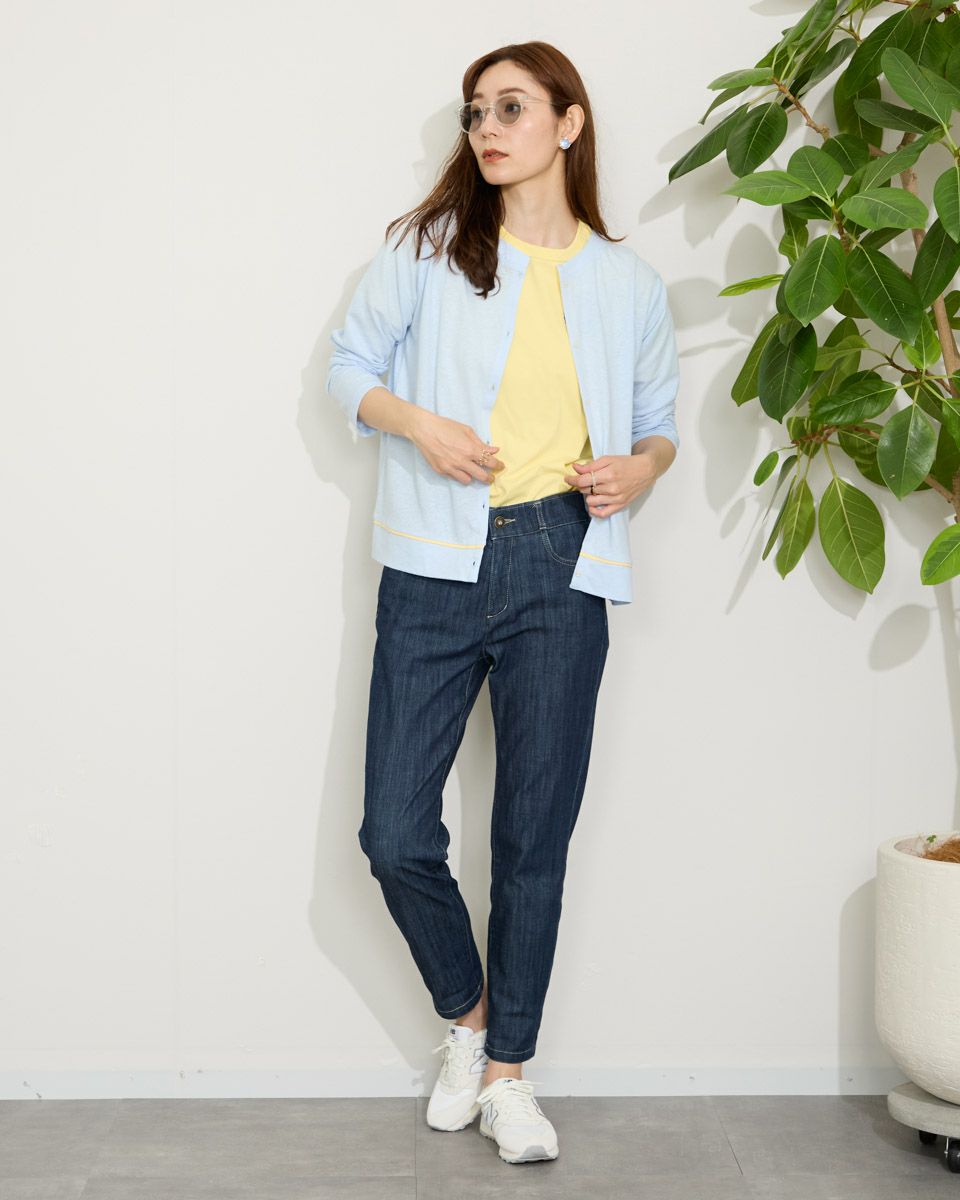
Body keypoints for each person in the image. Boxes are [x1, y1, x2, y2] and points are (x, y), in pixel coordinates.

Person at [326, 39, 680, 1165]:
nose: (487, 128)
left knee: (533, 839)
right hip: (432, 562)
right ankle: (469, 1024)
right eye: (476, 111)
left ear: (569, 124)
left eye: (512, 108)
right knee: (393, 833)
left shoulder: (627, 284)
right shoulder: (428, 250)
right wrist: (419, 425)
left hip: (561, 561)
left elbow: (661, 425)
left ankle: (512, 1077)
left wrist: (641, 470)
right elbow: (347, 368)